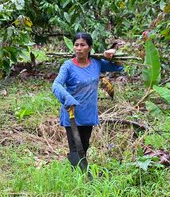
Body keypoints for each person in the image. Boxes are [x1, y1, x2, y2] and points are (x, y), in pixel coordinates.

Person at [52, 32, 124, 169]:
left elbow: (118, 67)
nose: (78, 48)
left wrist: (112, 54)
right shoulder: (68, 66)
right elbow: (56, 85)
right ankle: (76, 175)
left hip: (88, 113)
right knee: (75, 148)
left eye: (82, 45)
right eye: (76, 45)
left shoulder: (96, 63)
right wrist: (67, 98)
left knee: (84, 146)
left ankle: (82, 174)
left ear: (89, 48)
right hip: (72, 112)